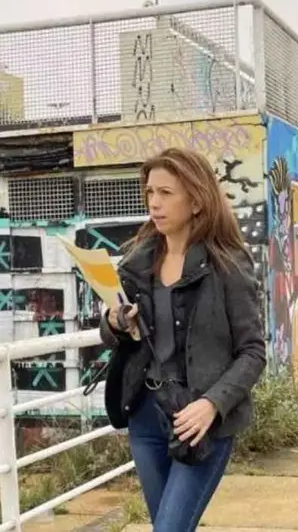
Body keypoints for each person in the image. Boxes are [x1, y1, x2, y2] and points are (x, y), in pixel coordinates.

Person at [100, 147, 266, 530]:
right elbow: (115, 337)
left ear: (196, 201)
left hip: (200, 422)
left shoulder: (228, 263)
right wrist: (114, 323)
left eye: (166, 193)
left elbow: (253, 351)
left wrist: (212, 404)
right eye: (150, 193)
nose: (154, 203)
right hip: (145, 418)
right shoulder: (136, 263)